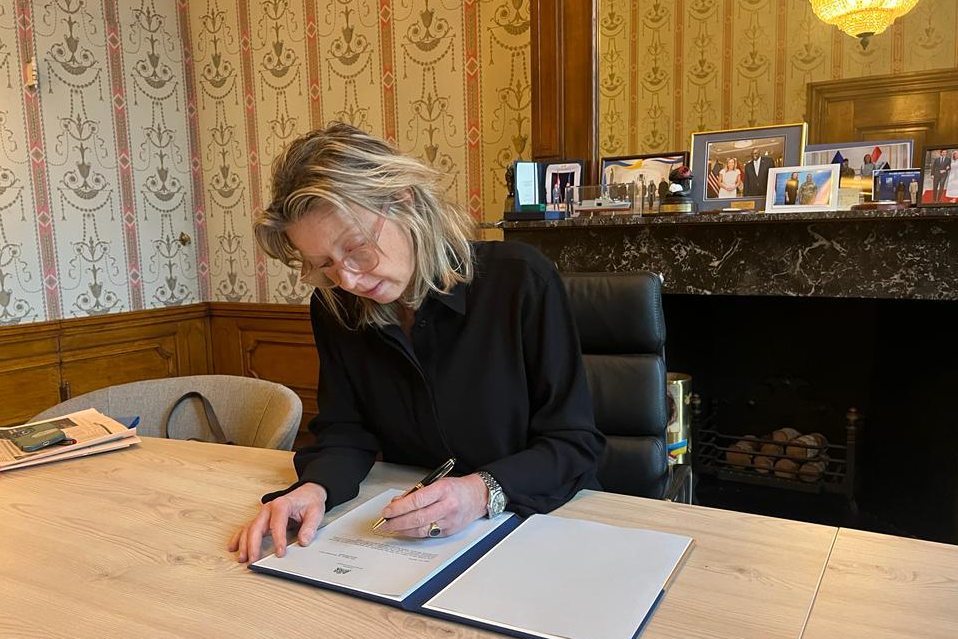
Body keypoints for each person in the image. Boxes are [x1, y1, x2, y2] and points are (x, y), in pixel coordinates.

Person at [229, 124, 605, 563]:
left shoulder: (521, 280)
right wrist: (316, 487)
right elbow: (346, 429)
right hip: (420, 540)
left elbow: (573, 441)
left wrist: (481, 492)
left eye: (356, 248)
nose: (347, 279)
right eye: (324, 264)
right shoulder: (336, 307)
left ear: (403, 201)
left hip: (546, 525)